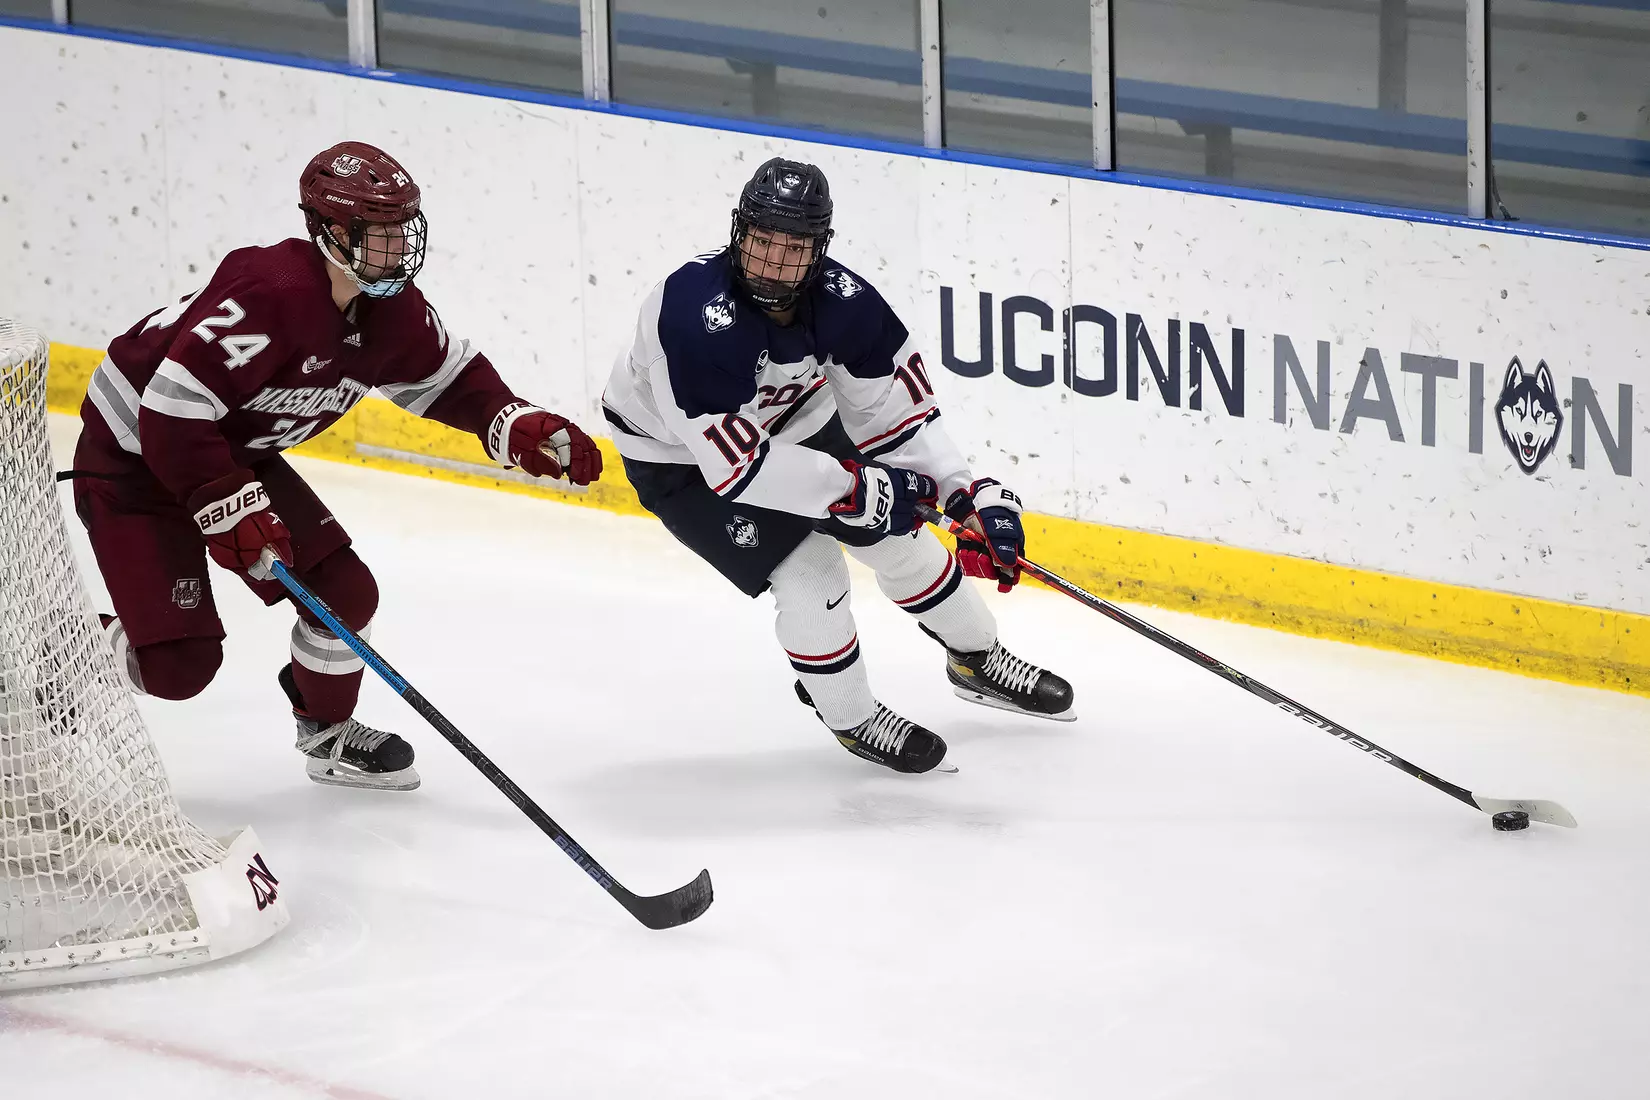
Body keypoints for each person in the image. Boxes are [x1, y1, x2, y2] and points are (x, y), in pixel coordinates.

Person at [71, 141, 602, 791]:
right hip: (133, 463)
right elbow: (172, 409)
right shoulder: (270, 293)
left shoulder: (392, 311)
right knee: (180, 669)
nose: (397, 249)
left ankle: (327, 735)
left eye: (403, 230)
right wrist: (227, 504)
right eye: (379, 234)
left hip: (229, 454)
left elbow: (448, 378)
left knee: (345, 595)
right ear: (328, 232)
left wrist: (511, 420)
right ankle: (59, 657)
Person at [602, 157, 1072, 775]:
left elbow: (896, 415)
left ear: (820, 248)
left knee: (902, 539)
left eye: (793, 247)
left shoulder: (844, 302)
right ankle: (851, 715)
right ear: (739, 232)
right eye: (762, 240)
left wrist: (966, 494)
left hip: (795, 418)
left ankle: (977, 658)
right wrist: (857, 489)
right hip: (683, 459)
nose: (773, 262)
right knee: (812, 573)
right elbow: (738, 469)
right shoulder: (695, 318)